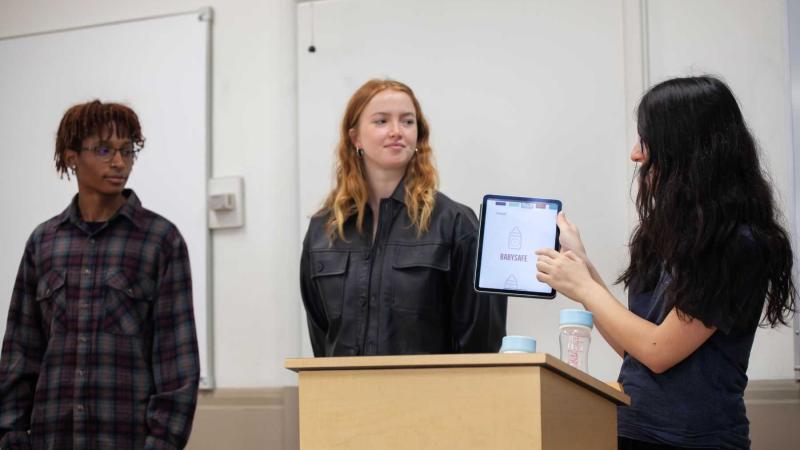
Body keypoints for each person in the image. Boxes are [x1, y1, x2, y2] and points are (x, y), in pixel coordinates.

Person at [535, 76, 796, 449]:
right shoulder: (666, 232)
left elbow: (659, 352)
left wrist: (585, 288)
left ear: (685, 145)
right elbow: (637, 347)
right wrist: (583, 268)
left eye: (646, 139)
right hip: (632, 429)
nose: (636, 154)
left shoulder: (738, 245)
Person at [0, 100, 200, 450]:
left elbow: (177, 362)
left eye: (127, 150)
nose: (119, 162)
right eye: (104, 150)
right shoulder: (43, 242)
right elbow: (20, 351)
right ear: (71, 156)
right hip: (51, 438)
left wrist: (162, 443)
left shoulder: (160, 240)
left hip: (127, 439)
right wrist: (12, 436)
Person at [300, 79, 507, 356]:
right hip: (346, 397)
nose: (396, 131)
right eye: (381, 121)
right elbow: (323, 340)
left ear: (418, 136)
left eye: (408, 122)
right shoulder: (322, 232)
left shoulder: (456, 224)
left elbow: (482, 341)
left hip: (433, 396)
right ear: (355, 138)